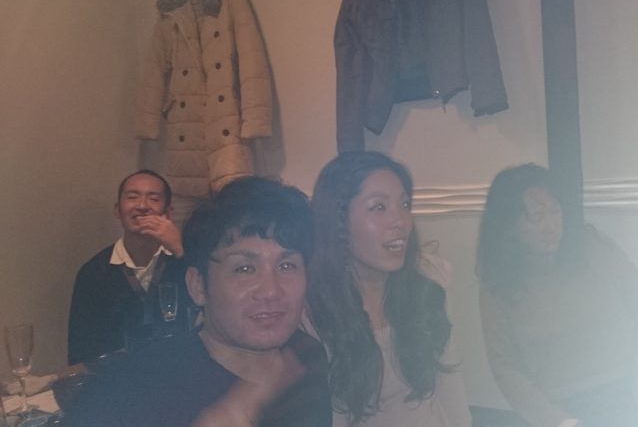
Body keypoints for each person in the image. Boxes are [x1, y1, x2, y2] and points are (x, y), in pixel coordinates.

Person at [65, 176, 331, 426]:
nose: (271, 290)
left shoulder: (308, 357)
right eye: (244, 269)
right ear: (197, 286)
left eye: (287, 265)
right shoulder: (131, 391)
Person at [476, 164, 638, 427]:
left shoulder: (594, 247)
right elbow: (506, 367)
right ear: (509, 226)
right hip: (564, 408)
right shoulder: (499, 284)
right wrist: (557, 420)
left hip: (632, 387)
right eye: (536, 218)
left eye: (555, 212)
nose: (551, 226)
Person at [305, 152, 472, 427]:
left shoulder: (427, 286)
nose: (401, 221)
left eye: (404, 204)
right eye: (379, 207)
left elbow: (452, 392)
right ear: (338, 221)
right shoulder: (315, 314)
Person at [67, 169, 189, 365]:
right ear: (117, 210)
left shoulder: (182, 261)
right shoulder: (94, 272)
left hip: (179, 370)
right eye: (132, 197)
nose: (142, 206)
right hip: (116, 377)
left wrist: (180, 249)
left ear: (168, 213)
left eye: (153, 199)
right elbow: (80, 351)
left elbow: (211, 314)